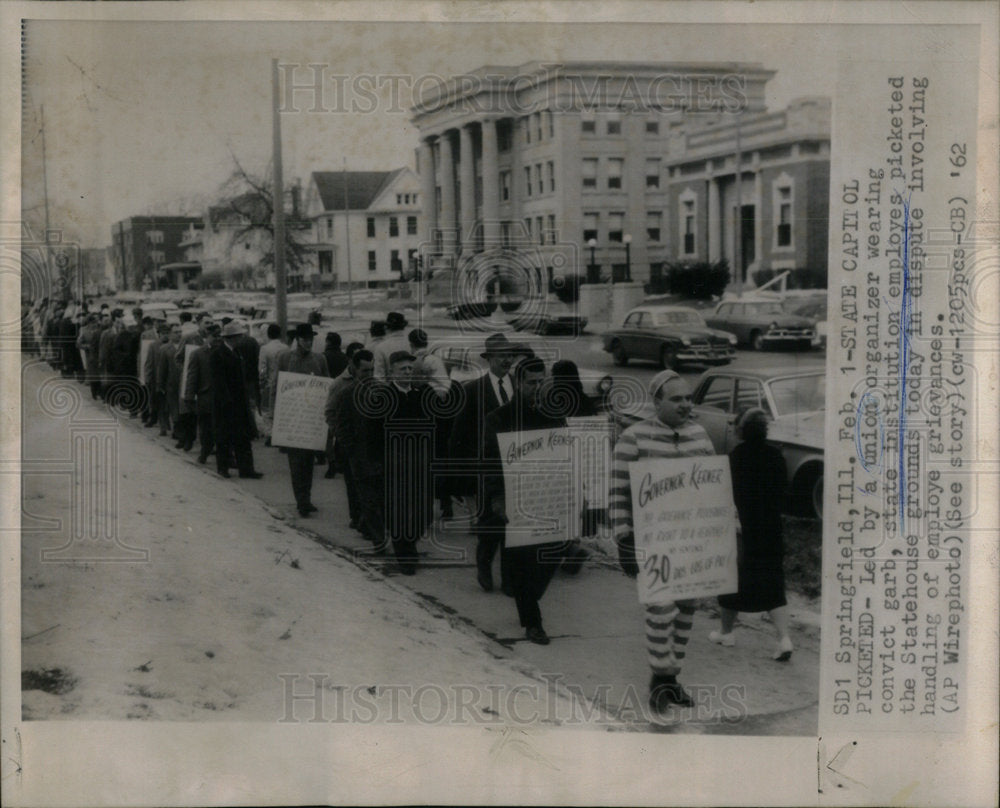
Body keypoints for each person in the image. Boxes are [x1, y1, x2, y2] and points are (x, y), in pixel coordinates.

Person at [610, 370, 715, 712]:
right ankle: (660, 677)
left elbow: (715, 487)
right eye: (677, 399)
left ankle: (671, 679)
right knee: (660, 609)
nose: (686, 405)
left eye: (688, 398)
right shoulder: (633, 438)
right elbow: (618, 491)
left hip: (692, 539)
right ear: (657, 402)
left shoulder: (700, 435)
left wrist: (729, 531)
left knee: (687, 608)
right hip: (652, 540)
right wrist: (623, 536)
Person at [482, 356, 571, 644]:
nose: (537, 387)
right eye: (531, 382)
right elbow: (490, 463)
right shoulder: (499, 418)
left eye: (541, 381)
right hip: (516, 500)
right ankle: (533, 622)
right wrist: (498, 499)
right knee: (522, 562)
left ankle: (525, 593)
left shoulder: (553, 415)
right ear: (518, 383)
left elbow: (567, 456)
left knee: (550, 556)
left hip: (550, 498)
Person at [710, 407, 794, 661]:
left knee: (731, 580)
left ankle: (726, 632)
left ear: (741, 430)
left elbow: (724, 494)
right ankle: (784, 638)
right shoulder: (776, 456)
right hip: (770, 530)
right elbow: (783, 493)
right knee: (773, 585)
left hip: (742, 530)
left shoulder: (735, 458)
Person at [448, 332, 515, 593]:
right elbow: (458, 435)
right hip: (487, 470)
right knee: (491, 524)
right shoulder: (473, 390)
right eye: (501, 356)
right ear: (490, 359)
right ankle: (484, 565)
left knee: (514, 525)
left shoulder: (520, 385)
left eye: (510, 356)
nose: (506, 361)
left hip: (517, 467)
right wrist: (460, 476)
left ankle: (509, 577)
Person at [379, 350, 434, 574]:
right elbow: (375, 434)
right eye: (403, 369)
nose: (408, 373)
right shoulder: (384, 398)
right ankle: (405, 555)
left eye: (411, 369)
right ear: (392, 372)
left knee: (422, 513)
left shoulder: (420, 396)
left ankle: (409, 545)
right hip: (394, 465)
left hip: (419, 464)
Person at [540, 359, 595, 575]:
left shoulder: (554, 400)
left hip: (560, 461)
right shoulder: (587, 401)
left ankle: (568, 548)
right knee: (576, 507)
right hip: (582, 461)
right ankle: (573, 545)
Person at [272, 323, 329, 515]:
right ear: (298, 340)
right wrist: (274, 414)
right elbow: (276, 386)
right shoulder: (286, 358)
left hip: (311, 418)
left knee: (308, 463)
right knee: (296, 463)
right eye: (305, 339)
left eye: (311, 340)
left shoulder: (319, 359)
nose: (309, 343)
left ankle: (307, 497)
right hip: (292, 418)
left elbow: (326, 385)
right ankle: (301, 501)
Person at [326, 348, 374, 528]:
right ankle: (357, 518)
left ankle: (366, 520)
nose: (369, 374)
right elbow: (330, 412)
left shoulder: (374, 386)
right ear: (353, 368)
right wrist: (342, 437)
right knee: (353, 484)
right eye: (365, 371)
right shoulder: (339, 385)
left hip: (368, 445)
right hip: (348, 444)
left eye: (372, 370)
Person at [211, 321, 263, 479]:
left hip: (240, 402)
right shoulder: (218, 354)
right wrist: (227, 402)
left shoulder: (237, 352)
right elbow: (219, 381)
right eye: (239, 336)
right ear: (232, 337)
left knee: (243, 436)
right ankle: (223, 468)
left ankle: (246, 469)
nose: (242, 338)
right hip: (225, 404)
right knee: (224, 437)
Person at [183, 322, 220, 465]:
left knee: (222, 428)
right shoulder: (197, 354)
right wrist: (189, 396)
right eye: (214, 336)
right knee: (206, 428)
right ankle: (205, 452)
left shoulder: (223, 352)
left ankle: (226, 457)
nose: (217, 339)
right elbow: (192, 376)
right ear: (207, 336)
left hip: (221, 397)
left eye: (219, 336)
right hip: (205, 396)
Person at [372, 311, 409, 380]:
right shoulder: (411, 344)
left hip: (390, 388)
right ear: (403, 327)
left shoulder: (380, 347)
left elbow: (379, 377)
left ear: (387, 328)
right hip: (412, 389)